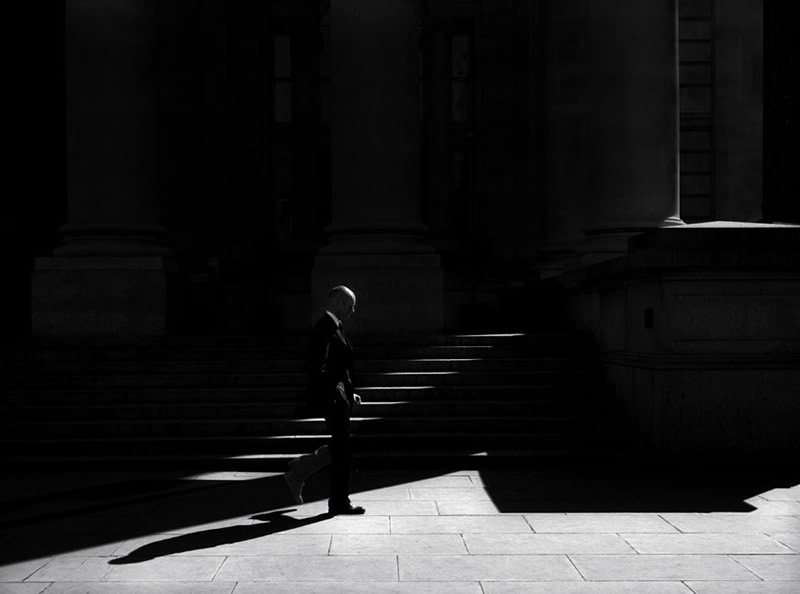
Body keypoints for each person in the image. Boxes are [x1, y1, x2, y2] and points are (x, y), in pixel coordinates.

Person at [283, 285, 365, 515]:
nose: (353, 310)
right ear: (338, 303)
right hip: (333, 399)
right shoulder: (325, 327)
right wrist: (337, 392)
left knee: (341, 447)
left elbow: (339, 367)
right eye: (350, 305)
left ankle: (299, 471)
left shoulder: (334, 327)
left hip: (338, 396)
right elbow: (318, 366)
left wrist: (349, 392)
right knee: (344, 450)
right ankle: (338, 502)